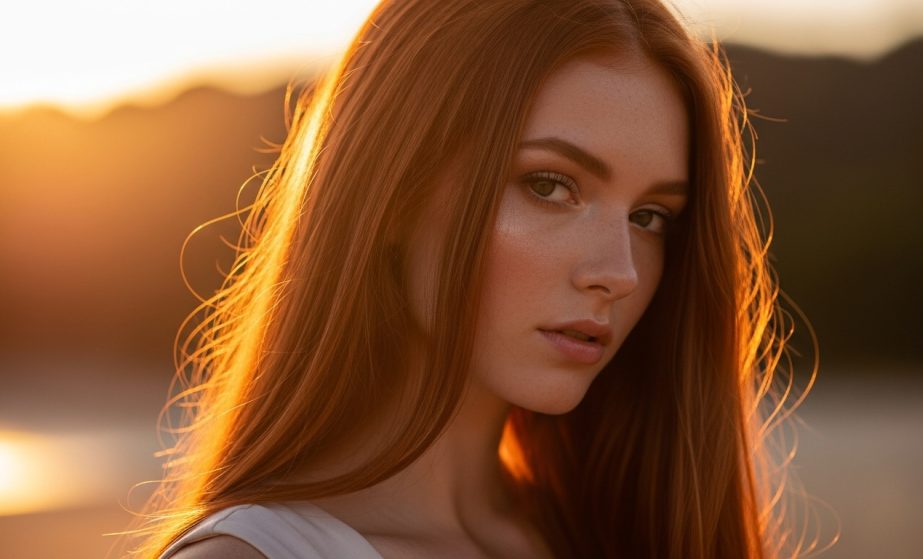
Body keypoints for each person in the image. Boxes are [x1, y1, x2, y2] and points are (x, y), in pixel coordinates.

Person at [125, 0, 816, 557]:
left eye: (650, 215)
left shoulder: (622, 533)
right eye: (550, 184)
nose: (620, 273)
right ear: (393, 194)